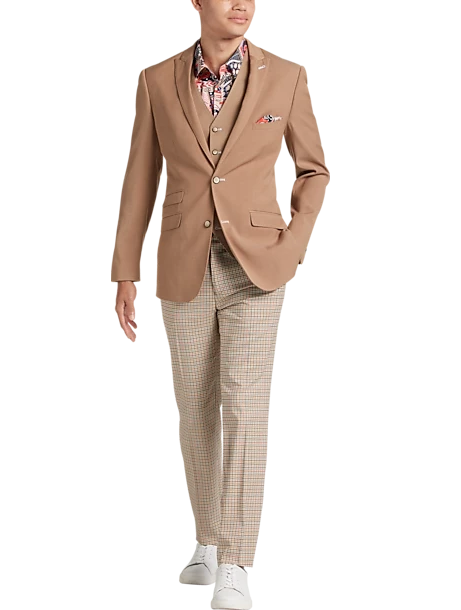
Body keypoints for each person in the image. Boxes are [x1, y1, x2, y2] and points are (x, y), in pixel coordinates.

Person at [111, 1, 329, 607]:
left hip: (258, 266)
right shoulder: (158, 81)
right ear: (196, 4)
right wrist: (125, 271)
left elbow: (313, 171)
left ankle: (235, 559)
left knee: (245, 406)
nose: (242, 5)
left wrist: (293, 242)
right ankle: (207, 540)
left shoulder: (286, 77)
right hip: (183, 263)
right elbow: (140, 179)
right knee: (196, 406)